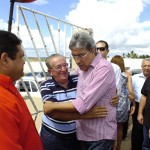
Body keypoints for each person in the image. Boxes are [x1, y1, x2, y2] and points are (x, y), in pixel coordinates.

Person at [44, 32, 117, 150]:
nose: (77, 61)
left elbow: (83, 103)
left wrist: (52, 106)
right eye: (74, 56)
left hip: (99, 136)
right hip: (83, 133)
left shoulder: (103, 68)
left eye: (81, 55)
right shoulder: (82, 68)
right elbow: (69, 79)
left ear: (93, 50)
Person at [40, 53, 108, 150]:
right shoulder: (46, 85)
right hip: (53, 137)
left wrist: (113, 95)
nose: (63, 69)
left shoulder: (78, 80)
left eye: (65, 65)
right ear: (50, 71)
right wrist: (85, 115)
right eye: (58, 67)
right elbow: (55, 114)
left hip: (76, 136)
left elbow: (100, 87)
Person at [0, 30, 43, 149]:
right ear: (5, 60)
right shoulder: (2, 101)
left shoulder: (7, 87)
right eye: (21, 57)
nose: (24, 62)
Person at [110, 55, 135, 150]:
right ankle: (119, 147)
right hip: (122, 103)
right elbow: (131, 92)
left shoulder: (109, 73)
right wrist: (134, 104)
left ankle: (112, 146)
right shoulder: (127, 75)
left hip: (111, 101)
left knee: (110, 126)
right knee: (120, 127)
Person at [131, 58, 150, 150]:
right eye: (145, 65)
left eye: (149, 66)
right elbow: (130, 93)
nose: (147, 68)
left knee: (146, 133)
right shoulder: (134, 78)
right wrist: (133, 106)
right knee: (137, 130)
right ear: (141, 67)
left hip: (148, 108)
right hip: (138, 106)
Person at [137, 76, 150, 150]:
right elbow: (144, 96)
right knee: (146, 146)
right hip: (147, 121)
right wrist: (140, 113)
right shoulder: (149, 79)